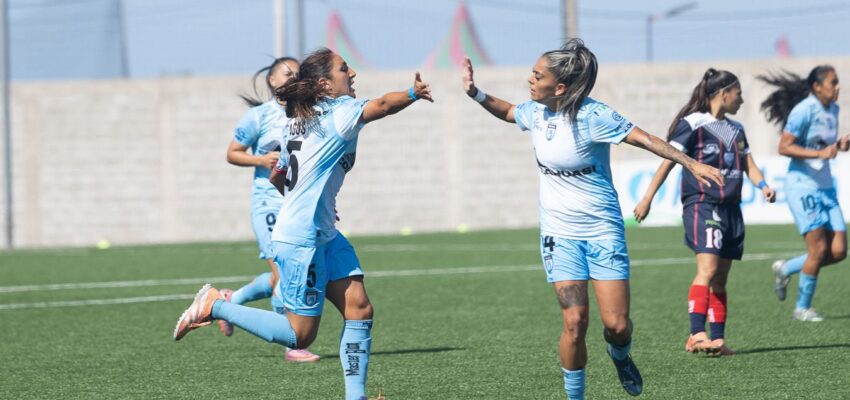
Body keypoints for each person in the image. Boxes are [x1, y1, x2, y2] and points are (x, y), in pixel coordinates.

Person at [461, 39, 723, 399]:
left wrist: (691, 164)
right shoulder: (536, 112)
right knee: (574, 322)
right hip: (559, 235)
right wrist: (475, 93)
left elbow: (645, 139)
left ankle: (620, 355)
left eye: (537, 75)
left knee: (617, 326)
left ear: (560, 87)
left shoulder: (593, 116)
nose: (530, 79)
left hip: (603, 232)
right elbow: (508, 111)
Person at [173, 47, 433, 400]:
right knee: (299, 336)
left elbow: (279, 176)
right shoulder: (340, 112)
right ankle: (215, 306)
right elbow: (384, 105)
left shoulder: (299, 120)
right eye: (344, 68)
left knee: (359, 307)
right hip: (302, 239)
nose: (352, 73)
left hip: (323, 232)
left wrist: (314, 202)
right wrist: (413, 93)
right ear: (325, 83)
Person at [633, 69, 776, 356]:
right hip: (702, 204)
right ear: (724, 93)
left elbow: (749, 165)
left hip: (731, 209)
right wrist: (647, 198)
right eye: (738, 94)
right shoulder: (693, 123)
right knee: (707, 270)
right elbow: (668, 161)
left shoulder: (736, 129)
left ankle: (718, 339)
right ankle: (696, 335)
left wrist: (763, 185)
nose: (741, 100)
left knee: (721, 278)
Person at [221, 56, 320, 363]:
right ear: (272, 81)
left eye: (298, 74)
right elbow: (232, 153)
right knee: (283, 273)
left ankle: (231, 301)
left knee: (287, 273)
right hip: (268, 203)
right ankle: (292, 344)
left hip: (297, 206)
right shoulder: (259, 116)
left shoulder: (308, 114)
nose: (293, 77)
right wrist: (261, 160)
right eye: (287, 73)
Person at [759, 66, 848, 322]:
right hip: (802, 186)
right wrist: (820, 153)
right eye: (833, 82)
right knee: (818, 249)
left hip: (826, 187)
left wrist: (839, 145)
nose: (837, 87)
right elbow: (784, 147)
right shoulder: (803, 110)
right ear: (817, 87)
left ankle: (786, 268)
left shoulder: (833, 109)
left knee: (839, 251)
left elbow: (823, 144)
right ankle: (802, 308)